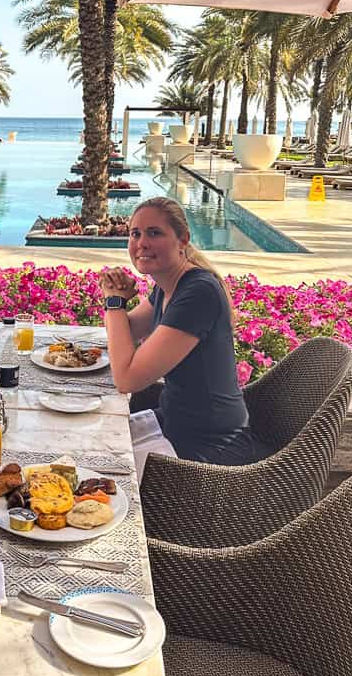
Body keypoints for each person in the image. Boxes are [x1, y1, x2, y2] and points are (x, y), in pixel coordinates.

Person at [98, 197, 268, 473]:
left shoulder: (198, 292)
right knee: (91, 439)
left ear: (183, 240)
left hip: (207, 447)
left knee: (100, 472)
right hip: (174, 424)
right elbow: (125, 331)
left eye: (155, 233)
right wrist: (115, 298)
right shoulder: (167, 285)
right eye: (135, 233)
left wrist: (114, 302)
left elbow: (127, 379)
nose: (142, 242)